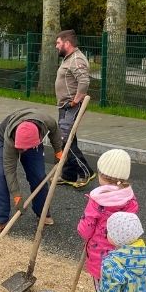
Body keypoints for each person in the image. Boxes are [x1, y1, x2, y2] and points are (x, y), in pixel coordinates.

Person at [75, 149, 140, 292]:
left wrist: (83, 227)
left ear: (102, 175)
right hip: (123, 259)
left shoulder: (97, 200)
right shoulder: (130, 200)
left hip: (100, 260)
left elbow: (85, 230)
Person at [0, 109, 64, 234]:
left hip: (32, 141)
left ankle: (42, 212)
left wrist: (58, 151)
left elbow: (55, 131)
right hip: (7, 139)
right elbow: (10, 170)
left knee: (38, 176)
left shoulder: (46, 121)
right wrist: (17, 196)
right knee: (0, 177)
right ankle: (0, 219)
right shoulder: (9, 139)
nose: (22, 151)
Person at [54, 30, 94, 187]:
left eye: (58, 43)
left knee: (65, 141)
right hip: (64, 106)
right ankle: (69, 175)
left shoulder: (77, 59)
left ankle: (86, 172)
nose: (56, 46)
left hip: (71, 107)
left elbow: (84, 81)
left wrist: (75, 100)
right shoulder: (68, 58)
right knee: (69, 139)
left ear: (67, 43)